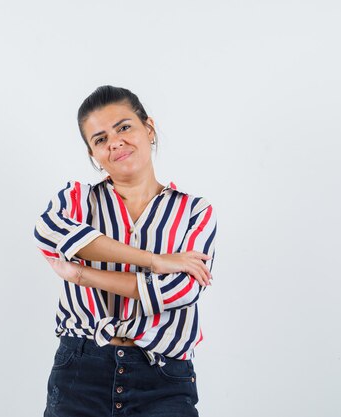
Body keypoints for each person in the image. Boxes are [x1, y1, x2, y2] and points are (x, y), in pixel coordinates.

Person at [33, 85, 217, 417]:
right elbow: (48, 232)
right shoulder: (77, 200)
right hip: (80, 370)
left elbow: (183, 289)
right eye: (100, 139)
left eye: (124, 127)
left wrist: (82, 274)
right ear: (92, 154)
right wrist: (154, 261)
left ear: (148, 128)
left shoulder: (194, 211)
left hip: (162, 377)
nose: (115, 142)